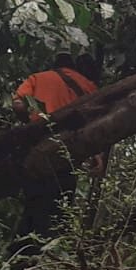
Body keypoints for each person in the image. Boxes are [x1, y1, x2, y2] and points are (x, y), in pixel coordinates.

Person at [9, 52, 101, 258]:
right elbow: (94, 122)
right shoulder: (88, 86)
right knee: (60, 209)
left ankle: (21, 260)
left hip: (38, 148)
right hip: (70, 154)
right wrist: (97, 156)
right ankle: (45, 263)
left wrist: (29, 120)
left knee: (34, 204)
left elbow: (18, 104)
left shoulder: (38, 78)